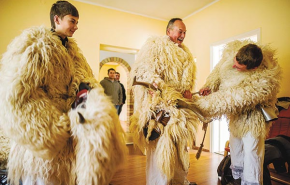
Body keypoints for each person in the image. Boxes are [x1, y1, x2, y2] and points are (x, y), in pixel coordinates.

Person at [0, 1, 126, 184]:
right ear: (57, 19)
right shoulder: (35, 47)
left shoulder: (74, 52)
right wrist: (54, 129)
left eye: (77, 22)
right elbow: (18, 92)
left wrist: (86, 93)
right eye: (72, 21)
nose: (76, 27)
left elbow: (87, 79)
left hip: (68, 136)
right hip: (45, 140)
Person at [195, 40, 281, 184]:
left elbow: (232, 98)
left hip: (253, 120)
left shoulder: (265, 80)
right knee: (236, 150)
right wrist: (209, 86)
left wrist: (201, 106)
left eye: (238, 66)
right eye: (234, 61)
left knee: (252, 155)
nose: (233, 66)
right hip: (236, 119)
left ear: (253, 68)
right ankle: (236, 180)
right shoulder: (232, 54)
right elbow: (218, 72)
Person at [130, 18, 199, 185]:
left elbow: (184, 84)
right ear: (169, 31)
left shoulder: (187, 55)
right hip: (160, 110)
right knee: (160, 152)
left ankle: (178, 181)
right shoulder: (155, 47)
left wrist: (186, 92)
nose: (182, 35)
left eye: (184, 32)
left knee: (179, 151)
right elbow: (143, 71)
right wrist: (156, 84)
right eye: (179, 31)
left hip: (179, 110)